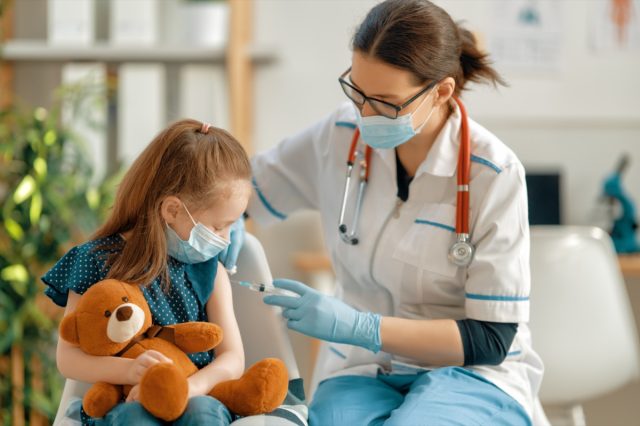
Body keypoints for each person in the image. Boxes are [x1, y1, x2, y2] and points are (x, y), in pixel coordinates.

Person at [246, 0, 544, 424]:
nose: (366, 114)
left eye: (386, 102)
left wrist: (360, 327)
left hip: (472, 374)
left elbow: (490, 337)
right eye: (358, 92)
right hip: (361, 370)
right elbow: (242, 190)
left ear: (441, 91)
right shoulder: (340, 133)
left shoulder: (493, 173)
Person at [43, 120, 252, 425]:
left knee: (204, 414)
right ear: (172, 210)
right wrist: (128, 371)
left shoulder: (211, 272)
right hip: (125, 401)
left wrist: (192, 387)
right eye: (219, 226)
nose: (226, 239)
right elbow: (68, 357)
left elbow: (233, 359)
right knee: (134, 418)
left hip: (196, 396)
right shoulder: (96, 262)